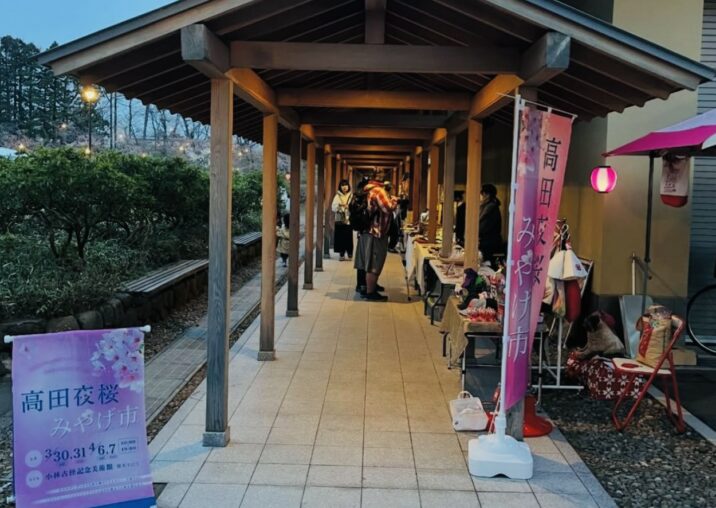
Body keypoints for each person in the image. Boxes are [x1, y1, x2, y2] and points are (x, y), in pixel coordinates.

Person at [353, 179, 397, 301]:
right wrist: (394, 200)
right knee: (374, 262)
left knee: (367, 261)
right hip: (376, 232)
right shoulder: (378, 191)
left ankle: (367, 287)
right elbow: (388, 208)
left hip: (366, 231)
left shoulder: (367, 190)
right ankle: (370, 292)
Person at [479, 183, 503, 265]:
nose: (481, 197)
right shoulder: (491, 207)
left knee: (487, 266)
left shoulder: (490, 208)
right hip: (490, 243)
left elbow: (483, 227)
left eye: (482, 194)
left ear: (487, 195)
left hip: (489, 245)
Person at [332, 179, 354, 261]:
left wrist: (349, 207)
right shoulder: (337, 196)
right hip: (340, 219)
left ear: (348, 186)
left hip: (348, 219)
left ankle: (349, 252)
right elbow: (333, 207)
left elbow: (355, 206)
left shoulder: (351, 196)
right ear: (340, 187)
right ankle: (341, 253)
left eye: (346, 185)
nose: (344, 187)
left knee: (348, 236)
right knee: (340, 237)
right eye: (342, 185)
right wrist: (340, 206)